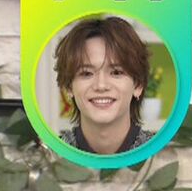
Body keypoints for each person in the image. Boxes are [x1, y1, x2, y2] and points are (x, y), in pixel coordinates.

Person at [52, 16, 156, 155]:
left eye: (116, 72)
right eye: (86, 73)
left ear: (138, 85)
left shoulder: (162, 156)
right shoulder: (49, 159)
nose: (101, 86)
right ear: (69, 87)